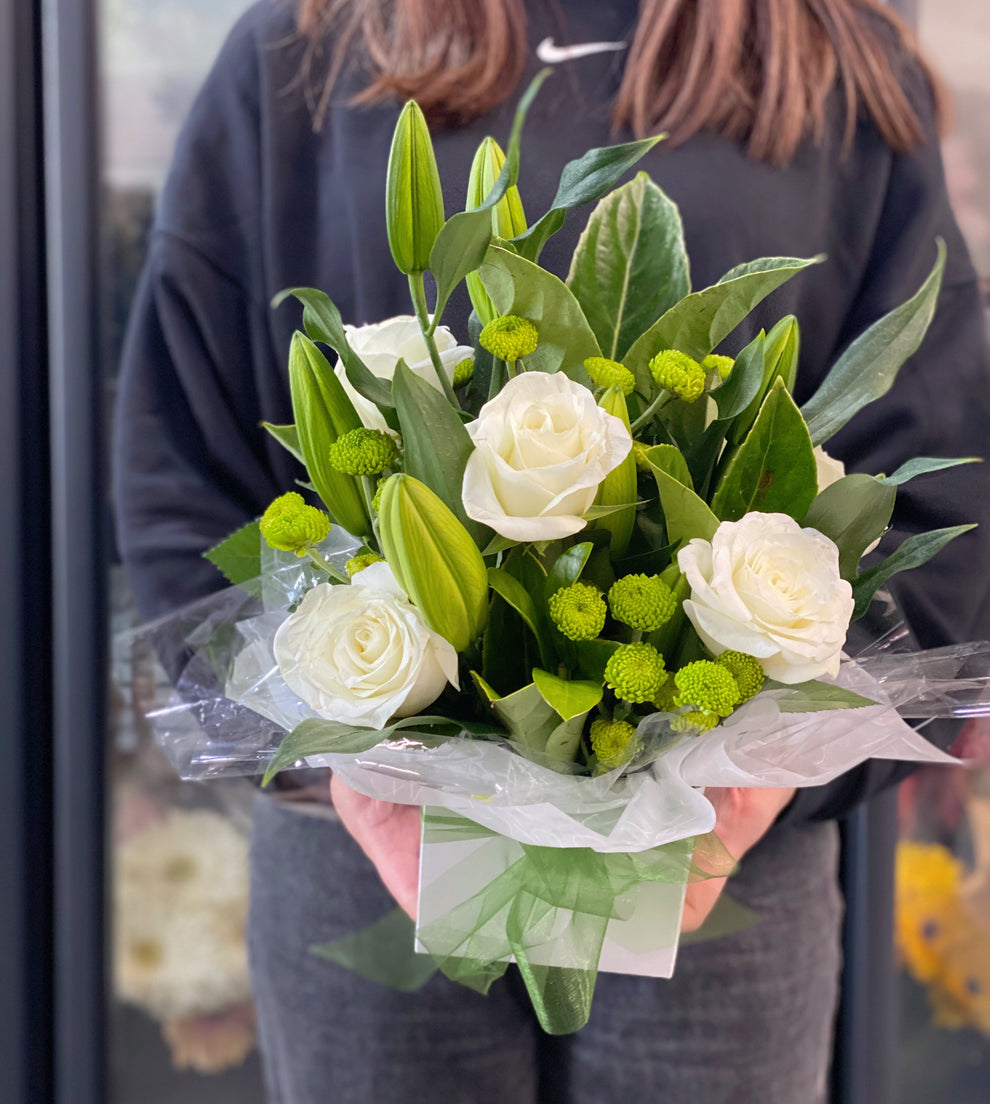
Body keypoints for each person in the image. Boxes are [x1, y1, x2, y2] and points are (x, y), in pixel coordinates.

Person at [114, 1, 990, 1101]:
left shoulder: (831, 55)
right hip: (365, 851)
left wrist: (761, 785)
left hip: (725, 862)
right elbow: (181, 463)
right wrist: (334, 766)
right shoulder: (306, 47)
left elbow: (932, 468)